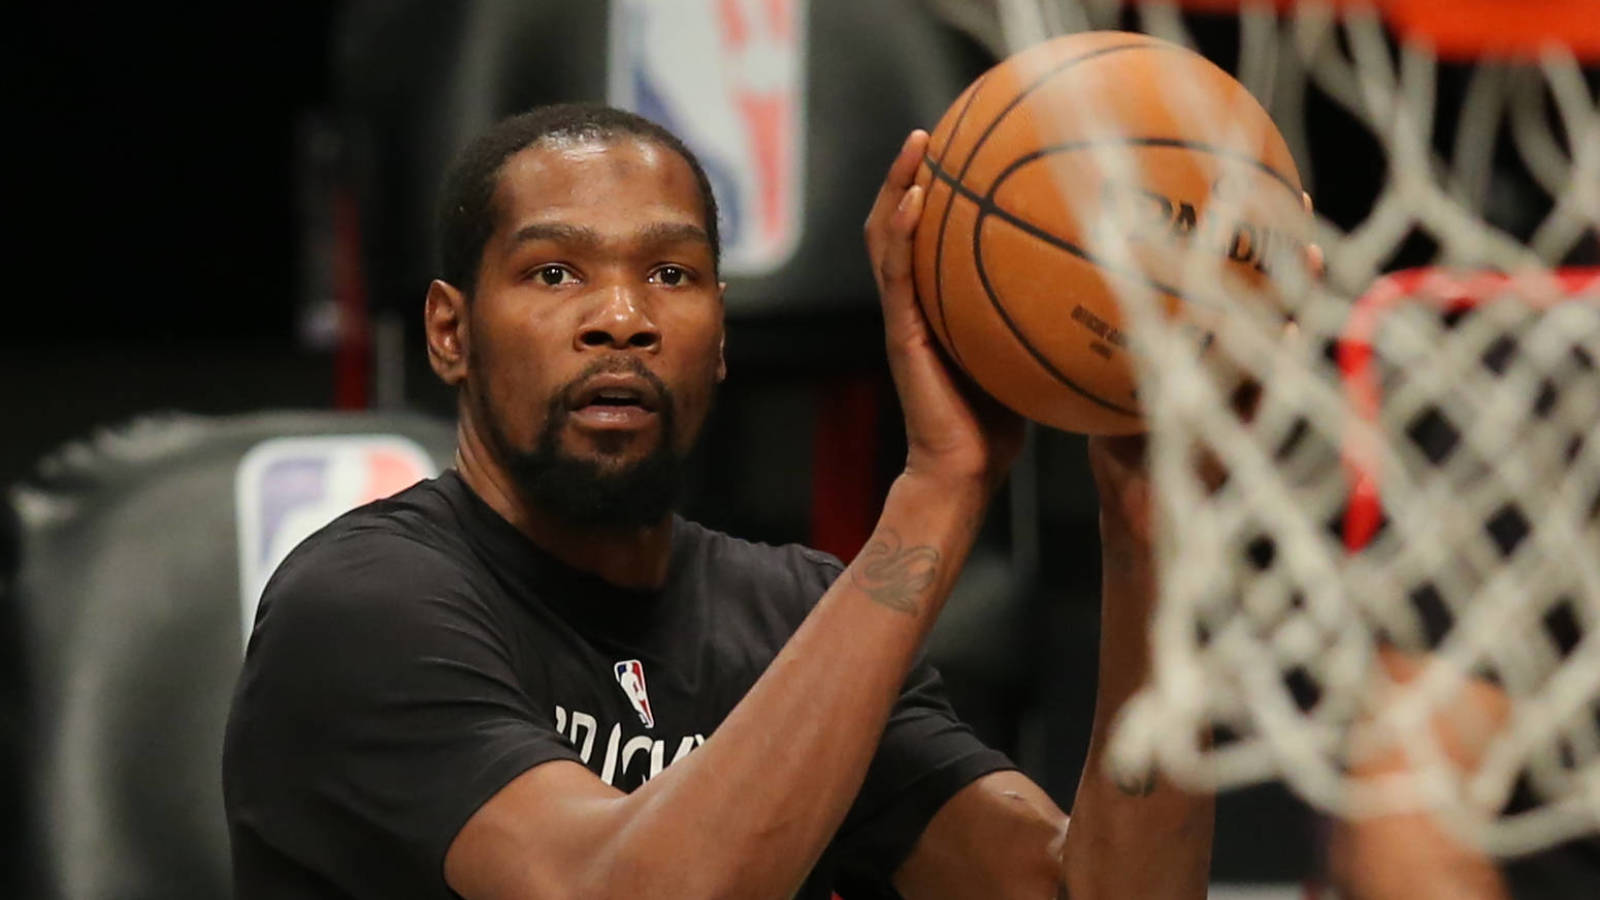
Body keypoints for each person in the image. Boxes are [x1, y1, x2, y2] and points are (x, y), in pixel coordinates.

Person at [222, 102, 1213, 899]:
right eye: (555, 272)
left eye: (671, 273)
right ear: (450, 333)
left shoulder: (795, 622)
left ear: (722, 335)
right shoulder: (361, 606)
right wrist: (941, 485)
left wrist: (1145, 528)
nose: (622, 319)